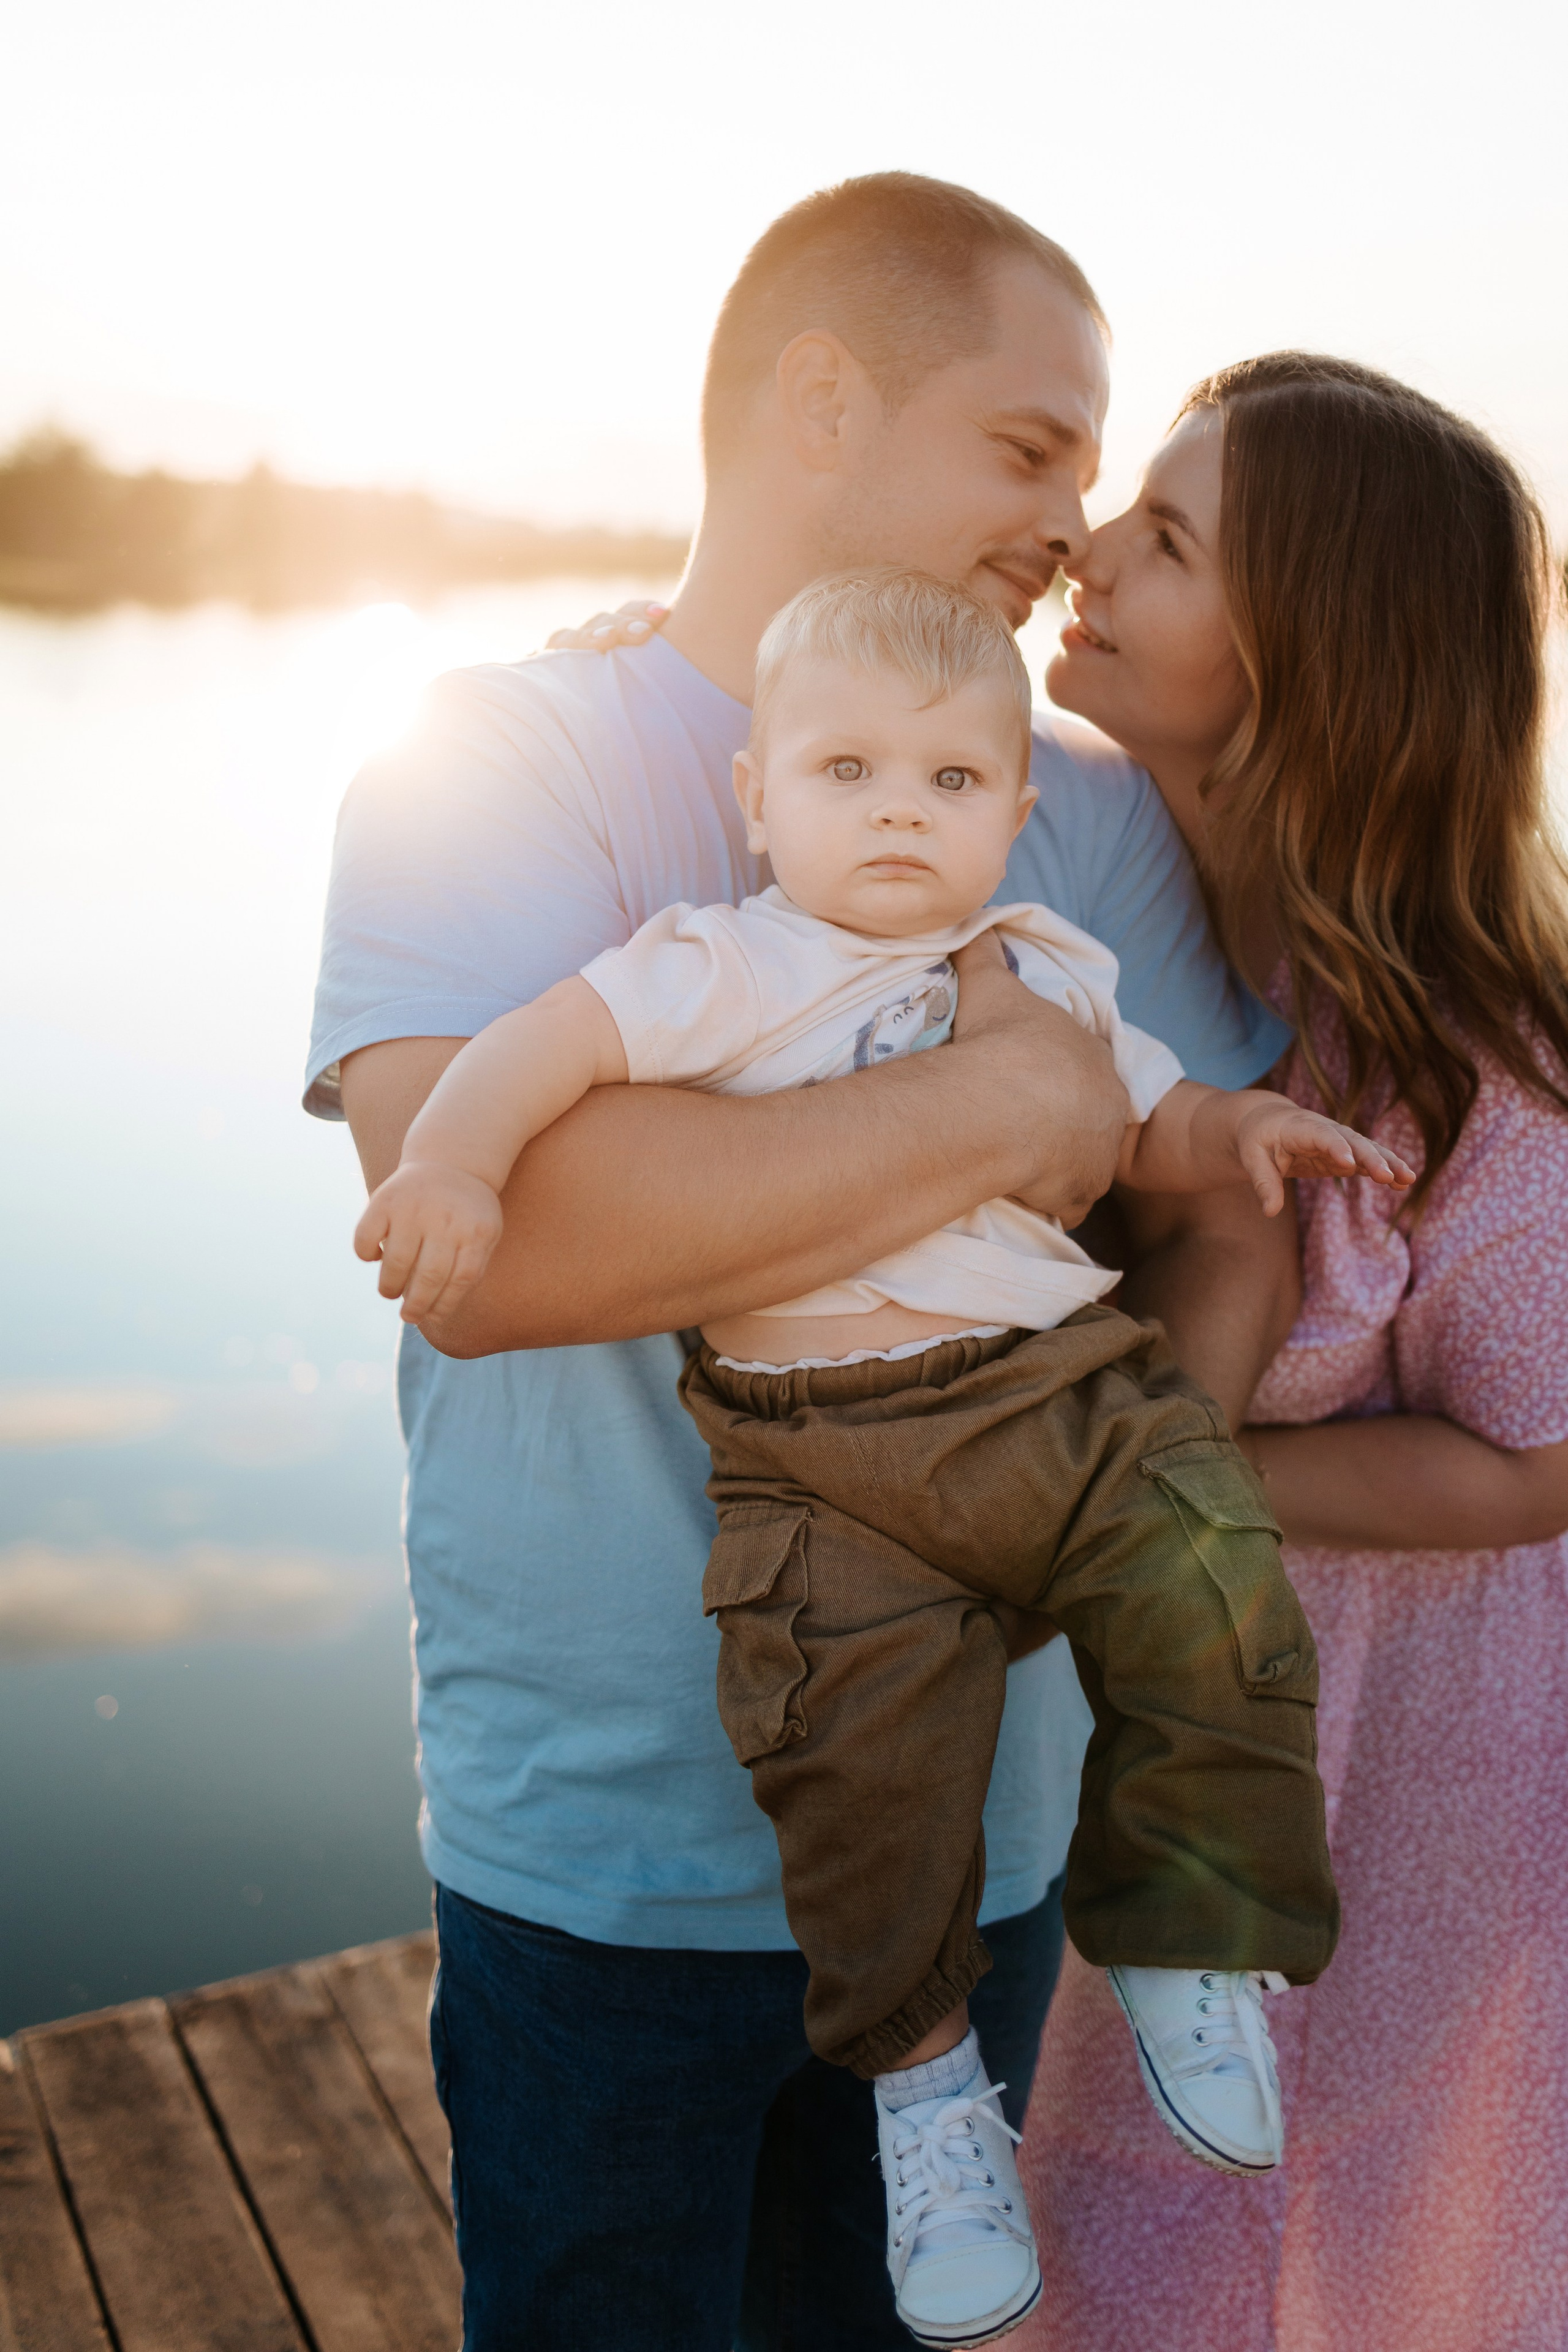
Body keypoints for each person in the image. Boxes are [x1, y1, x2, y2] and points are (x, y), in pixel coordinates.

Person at [306, 175, 1300, 2351]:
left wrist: (1117, 1512)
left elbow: (1221, 1208)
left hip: (994, 1829)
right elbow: (493, 1242)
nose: (1068, 520)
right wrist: (1005, 1107)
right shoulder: (498, 754)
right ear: (823, 405)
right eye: (1031, 447)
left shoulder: (1080, 801)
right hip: (603, 1860)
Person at [1008, 354, 1568, 2350]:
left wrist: (1150, 1485)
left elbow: (1538, 1464)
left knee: (1351, 2250)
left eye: (1168, 540)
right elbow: (832, 721)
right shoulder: (1097, 895)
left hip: (1423, 1792)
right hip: (1194, 1764)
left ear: (1316, 658)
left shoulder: (1471, 1054)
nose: (1089, 549)